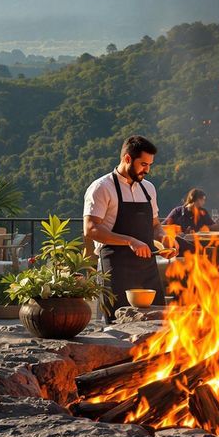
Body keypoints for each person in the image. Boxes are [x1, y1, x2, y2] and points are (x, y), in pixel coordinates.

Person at [84, 135, 178, 322]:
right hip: (115, 268)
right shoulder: (102, 187)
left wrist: (164, 237)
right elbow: (91, 229)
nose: (148, 170)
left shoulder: (148, 188)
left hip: (147, 269)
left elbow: (155, 224)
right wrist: (130, 241)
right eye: (143, 164)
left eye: (150, 164)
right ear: (127, 158)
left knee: (158, 323)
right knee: (117, 325)